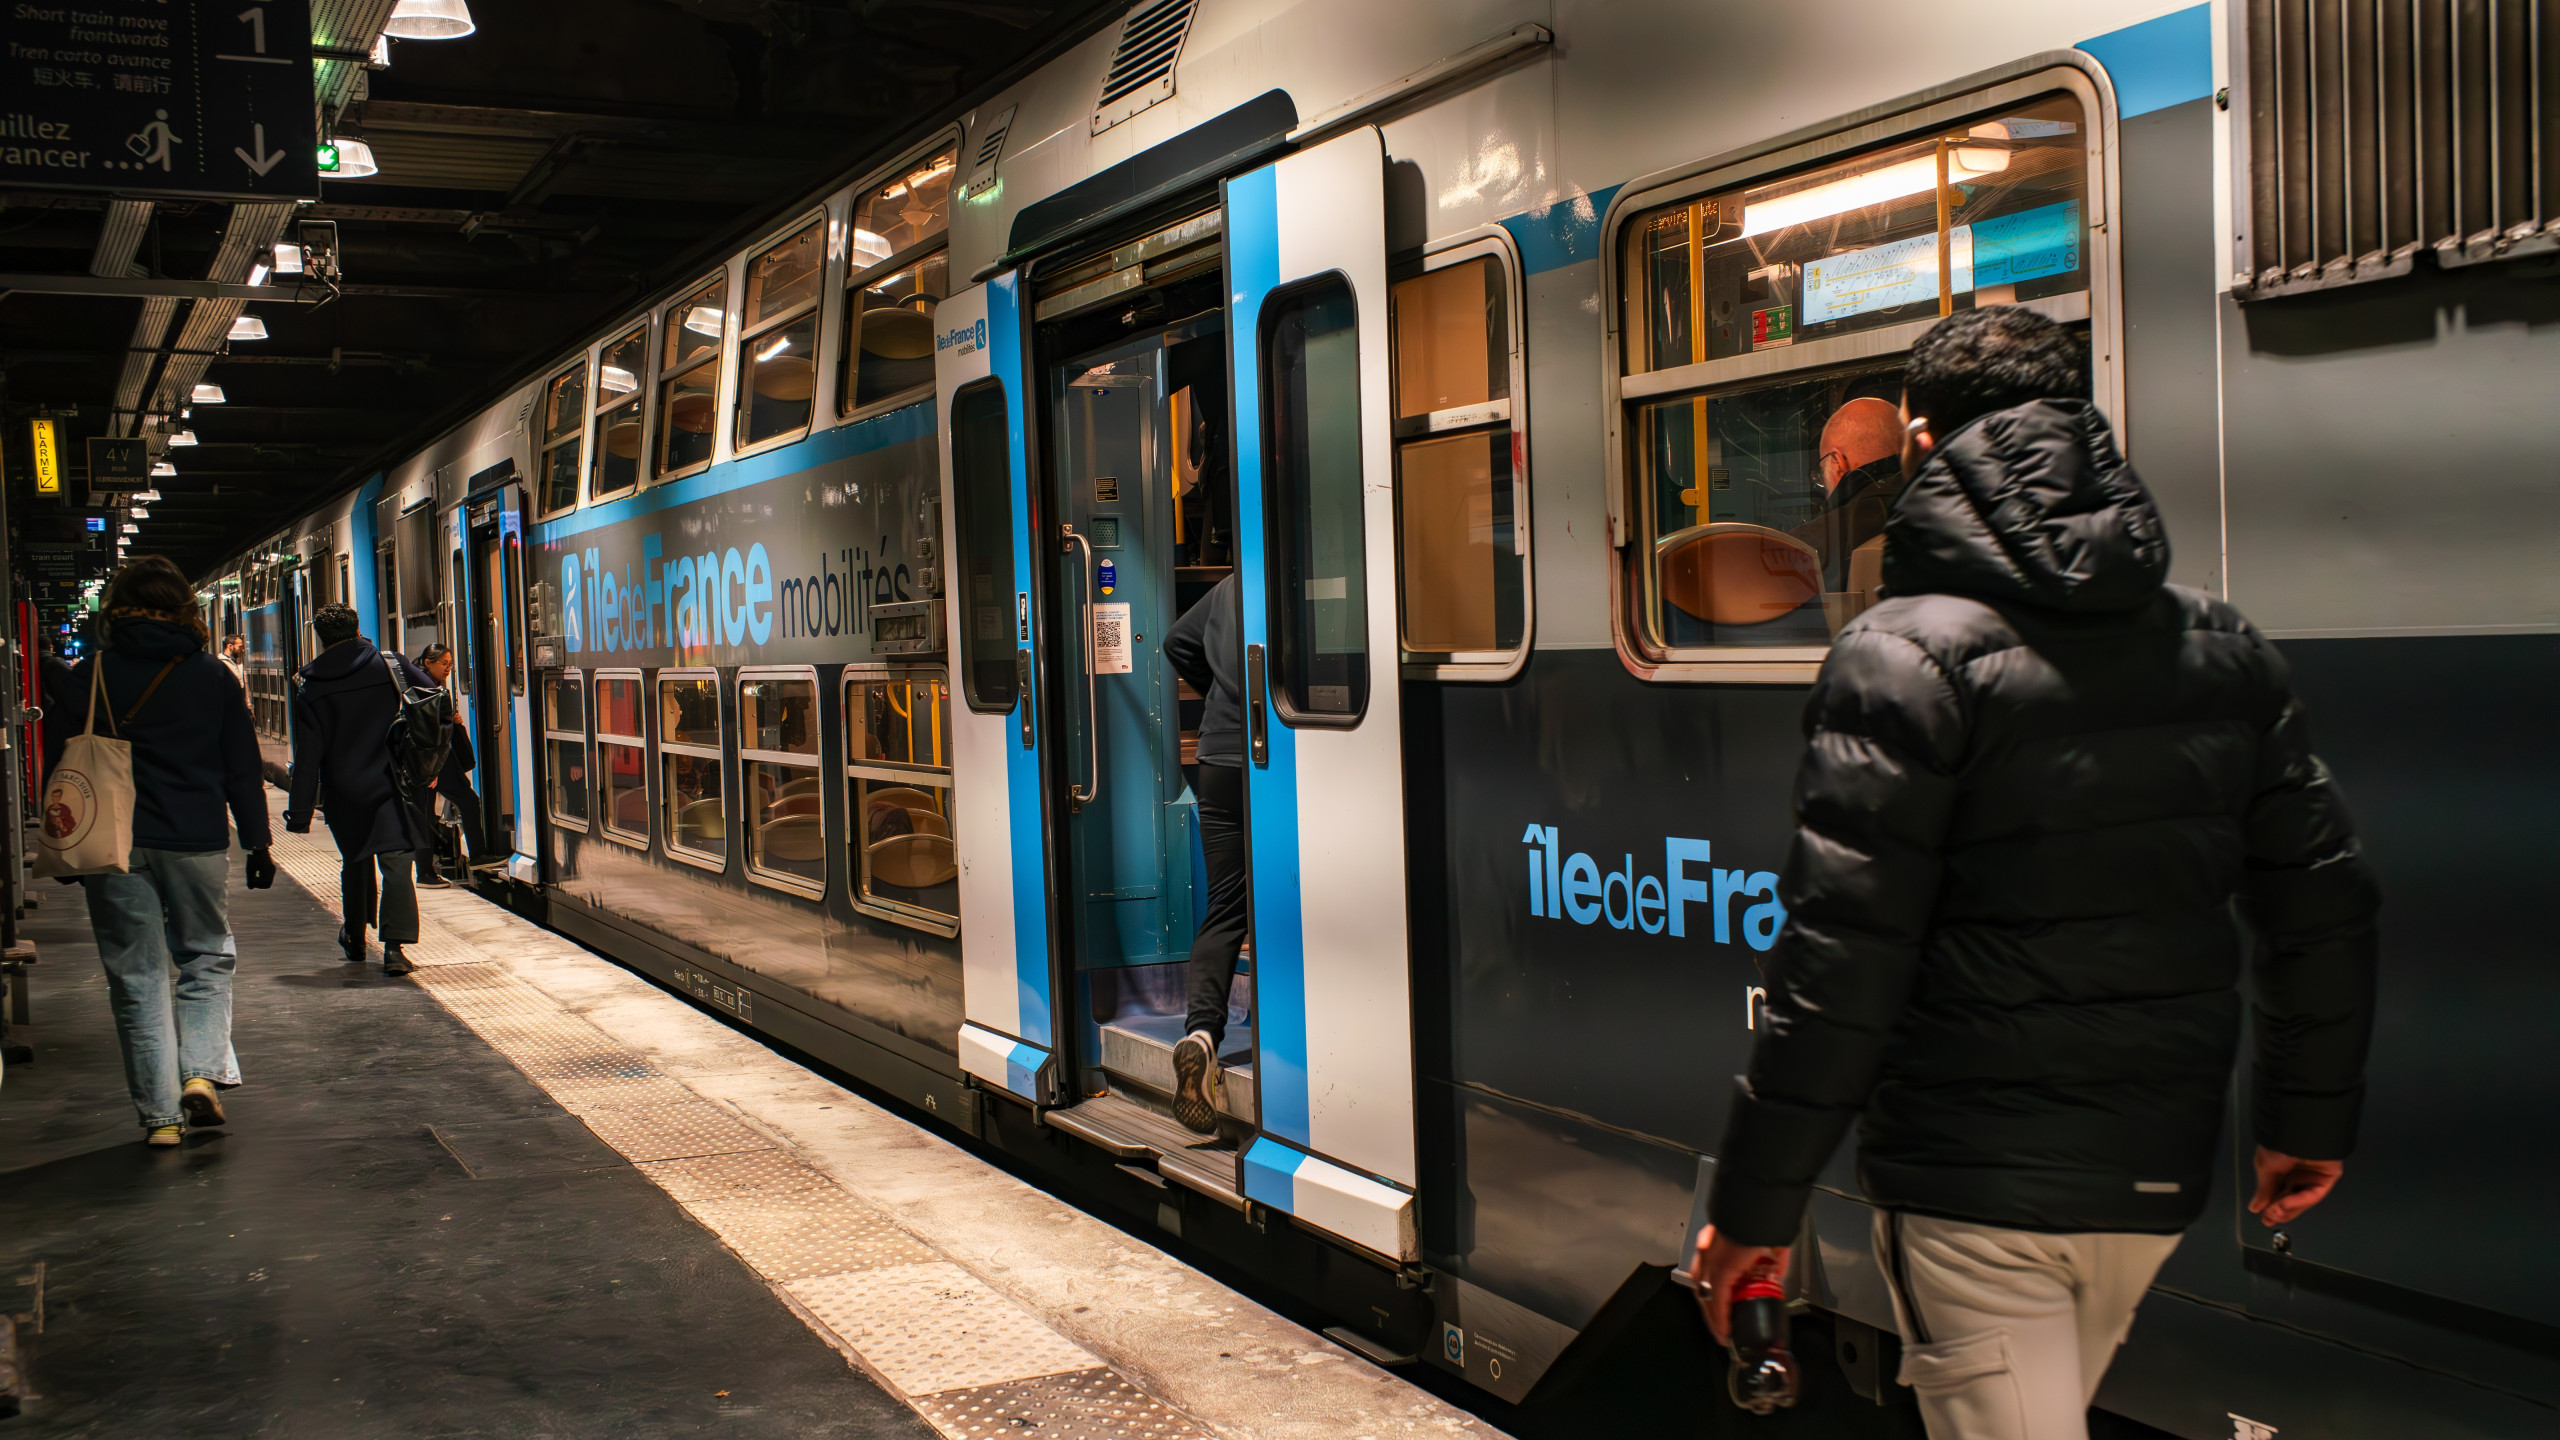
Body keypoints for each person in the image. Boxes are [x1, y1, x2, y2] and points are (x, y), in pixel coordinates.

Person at [1688, 306, 2380, 1440]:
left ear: (1920, 442)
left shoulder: (1898, 654)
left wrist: (1758, 1204)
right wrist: (2307, 1118)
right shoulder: (2220, 643)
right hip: (2154, 1175)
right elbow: (2324, 902)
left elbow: (1841, 961)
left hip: (1972, 1186)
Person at [44, 556, 277, 1147]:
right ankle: (200, 1073)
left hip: (114, 842)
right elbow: (241, 769)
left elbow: (61, 766)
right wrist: (257, 842)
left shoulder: (90, 673)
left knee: (136, 977)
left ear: (117, 609)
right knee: (205, 957)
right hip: (196, 838)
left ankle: (160, 1120)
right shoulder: (212, 676)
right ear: (186, 610)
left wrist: (65, 839)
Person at [284, 606, 435, 975]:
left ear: (321, 637)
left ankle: (353, 937)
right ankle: (395, 950)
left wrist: (300, 813)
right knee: (397, 862)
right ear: (357, 629)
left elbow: (308, 756)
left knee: (355, 860)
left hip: (342, 790)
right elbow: (431, 694)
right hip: (389, 781)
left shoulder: (311, 686)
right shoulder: (387, 664)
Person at [1162, 572, 1245, 1135]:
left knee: (1225, 906)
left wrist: (1217, 687)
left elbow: (1176, 642)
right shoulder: (1304, 576)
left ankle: (1201, 1036)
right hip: (1272, 757)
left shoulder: (1229, 588)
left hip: (1216, 759)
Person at [411, 643, 483, 886]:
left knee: (426, 815)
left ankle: (426, 872)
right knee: (466, 802)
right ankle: (478, 857)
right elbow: (425, 732)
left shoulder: (425, 685)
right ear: (428, 662)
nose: (448, 669)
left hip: (432, 762)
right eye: (444, 664)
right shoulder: (425, 690)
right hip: (433, 762)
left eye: (450, 664)